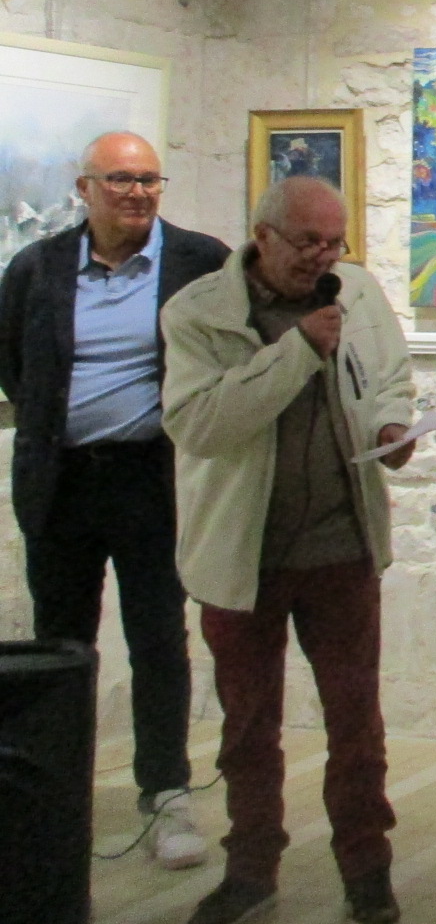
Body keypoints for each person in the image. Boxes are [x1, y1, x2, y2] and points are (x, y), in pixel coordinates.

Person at [160, 176, 419, 924]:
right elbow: (203, 425)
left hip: (341, 549)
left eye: (334, 242)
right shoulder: (199, 313)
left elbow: (391, 379)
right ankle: (251, 871)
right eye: (307, 242)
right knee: (248, 727)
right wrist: (298, 350)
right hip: (243, 556)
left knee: (356, 724)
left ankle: (367, 871)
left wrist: (391, 427)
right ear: (262, 236)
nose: (323, 257)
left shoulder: (357, 293)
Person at [0, 131, 228, 870]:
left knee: (158, 638)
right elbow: (15, 366)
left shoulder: (199, 261)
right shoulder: (36, 268)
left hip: (151, 480)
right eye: (122, 180)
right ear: (85, 190)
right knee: (62, 646)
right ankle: (56, 797)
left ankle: (165, 793)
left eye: (150, 180)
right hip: (61, 481)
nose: (138, 193)